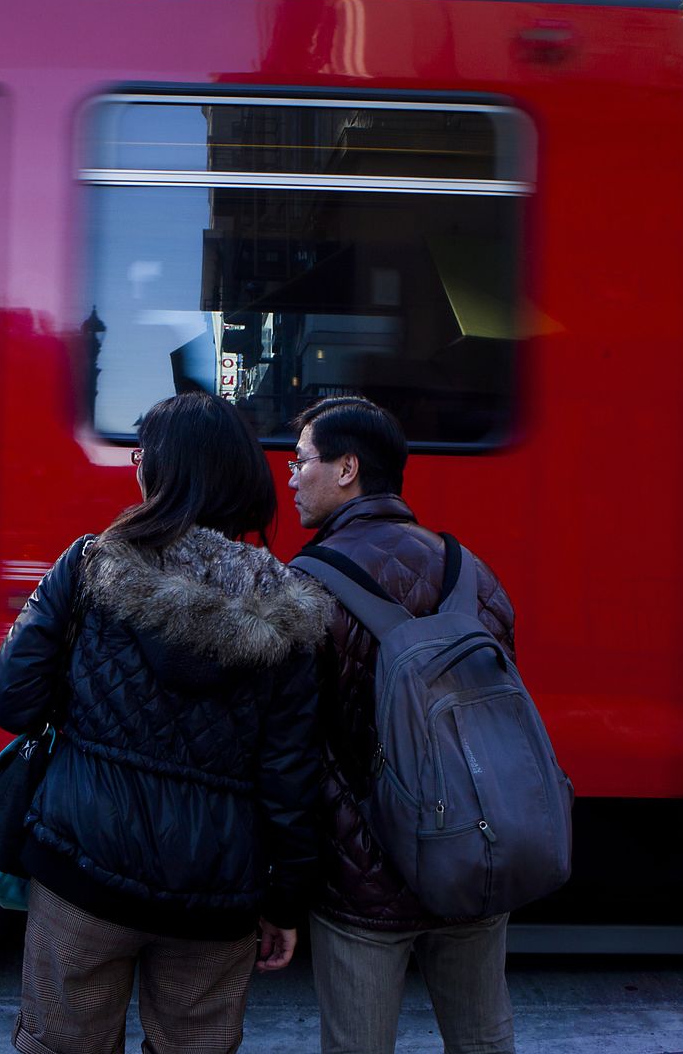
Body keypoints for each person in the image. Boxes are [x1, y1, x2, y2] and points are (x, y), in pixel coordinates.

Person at [0, 390, 331, 1054]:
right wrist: (286, 904)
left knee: (62, 1044)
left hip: (82, 863)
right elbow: (291, 779)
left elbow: (10, 700)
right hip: (216, 891)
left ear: (162, 473)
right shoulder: (290, 612)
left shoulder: (88, 566)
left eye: (143, 455)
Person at [287, 396, 520, 1054]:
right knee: (484, 1041)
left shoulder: (306, 585)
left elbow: (292, 745)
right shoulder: (471, 574)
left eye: (302, 459)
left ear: (347, 469)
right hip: (471, 857)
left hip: (364, 881)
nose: (290, 475)